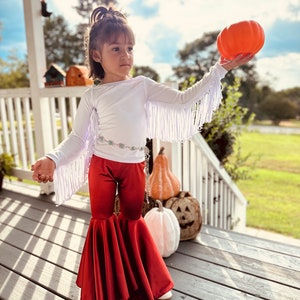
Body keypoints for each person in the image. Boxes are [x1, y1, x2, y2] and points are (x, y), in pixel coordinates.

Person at [31, 6, 253, 300]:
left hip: (134, 164)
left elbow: (184, 99)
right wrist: (52, 158)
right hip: (102, 166)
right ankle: (107, 289)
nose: (126, 55)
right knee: (102, 221)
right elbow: (76, 138)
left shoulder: (143, 86)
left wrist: (219, 70)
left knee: (133, 220)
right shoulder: (93, 95)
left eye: (130, 48)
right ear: (97, 55)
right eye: (116, 49)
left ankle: (141, 283)